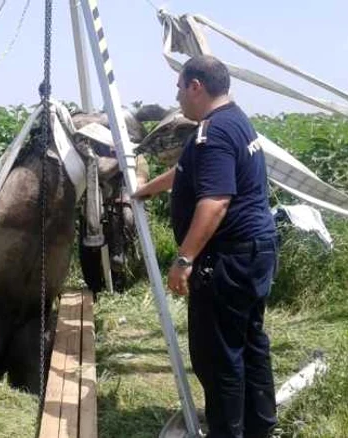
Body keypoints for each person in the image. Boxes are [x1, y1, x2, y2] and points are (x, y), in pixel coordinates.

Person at [133, 55, 278, 438]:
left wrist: (184, 259)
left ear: (196, 86)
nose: (177, 96)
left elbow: (215, 201)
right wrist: (143, 191)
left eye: (179, 87)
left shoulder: (212, 134)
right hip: (253, 253)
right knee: (249, 343)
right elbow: (185, 173)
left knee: (219, 357)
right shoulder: (235, 122)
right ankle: (259, 427)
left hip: (228, 260)